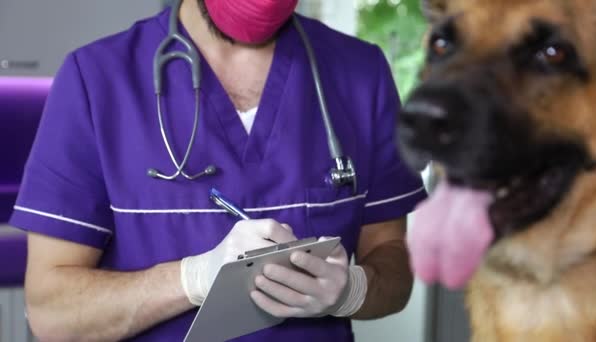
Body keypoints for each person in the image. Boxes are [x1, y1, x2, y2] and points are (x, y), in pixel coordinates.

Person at [9, 0, 427, 340]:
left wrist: (352, 289)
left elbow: (394, 265)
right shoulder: (97, 79)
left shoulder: (360, 74)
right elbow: (52, 312)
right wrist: (192, 279)